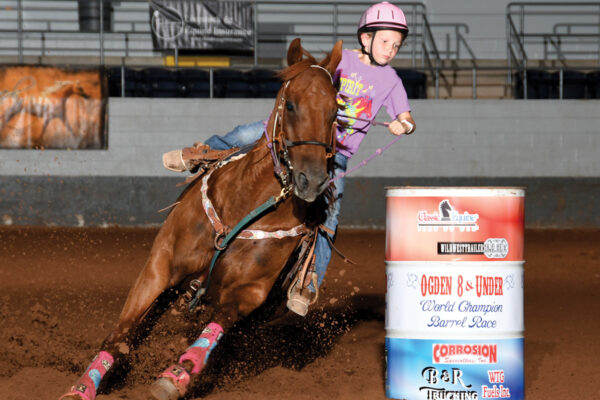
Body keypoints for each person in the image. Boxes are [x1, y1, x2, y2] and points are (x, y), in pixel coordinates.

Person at [163, 1, 416, 316]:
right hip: (297, 136)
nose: (391, 49)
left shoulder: (391, 81)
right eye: (385, 41)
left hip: (333, 154)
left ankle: (307, 283)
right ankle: (202, 154)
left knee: (331, 217)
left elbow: (407, 116)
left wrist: (402, 124)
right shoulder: (343, 62)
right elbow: (312, 79)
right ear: (366, 38)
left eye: (396, 44)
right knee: (245, 134)